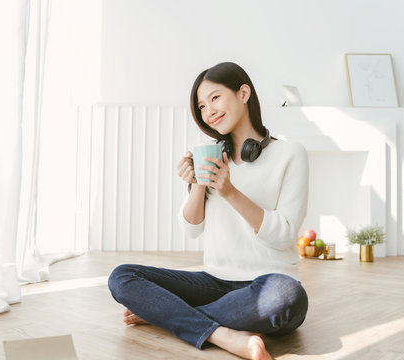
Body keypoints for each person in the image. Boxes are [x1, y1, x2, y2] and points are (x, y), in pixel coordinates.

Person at [108, 62, 309, 360]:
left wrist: (229, 191)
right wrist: (198, 185)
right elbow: (191, 229)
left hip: (266, 283)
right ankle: (222, 334)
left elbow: (284, 235)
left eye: (215, 98)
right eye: (202, 106)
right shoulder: (213, 156)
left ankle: (167, 315)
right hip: (213, 282)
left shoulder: (290, 153)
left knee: (288, 297)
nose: (208, 111)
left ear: (243, 93)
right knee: (122, 276)